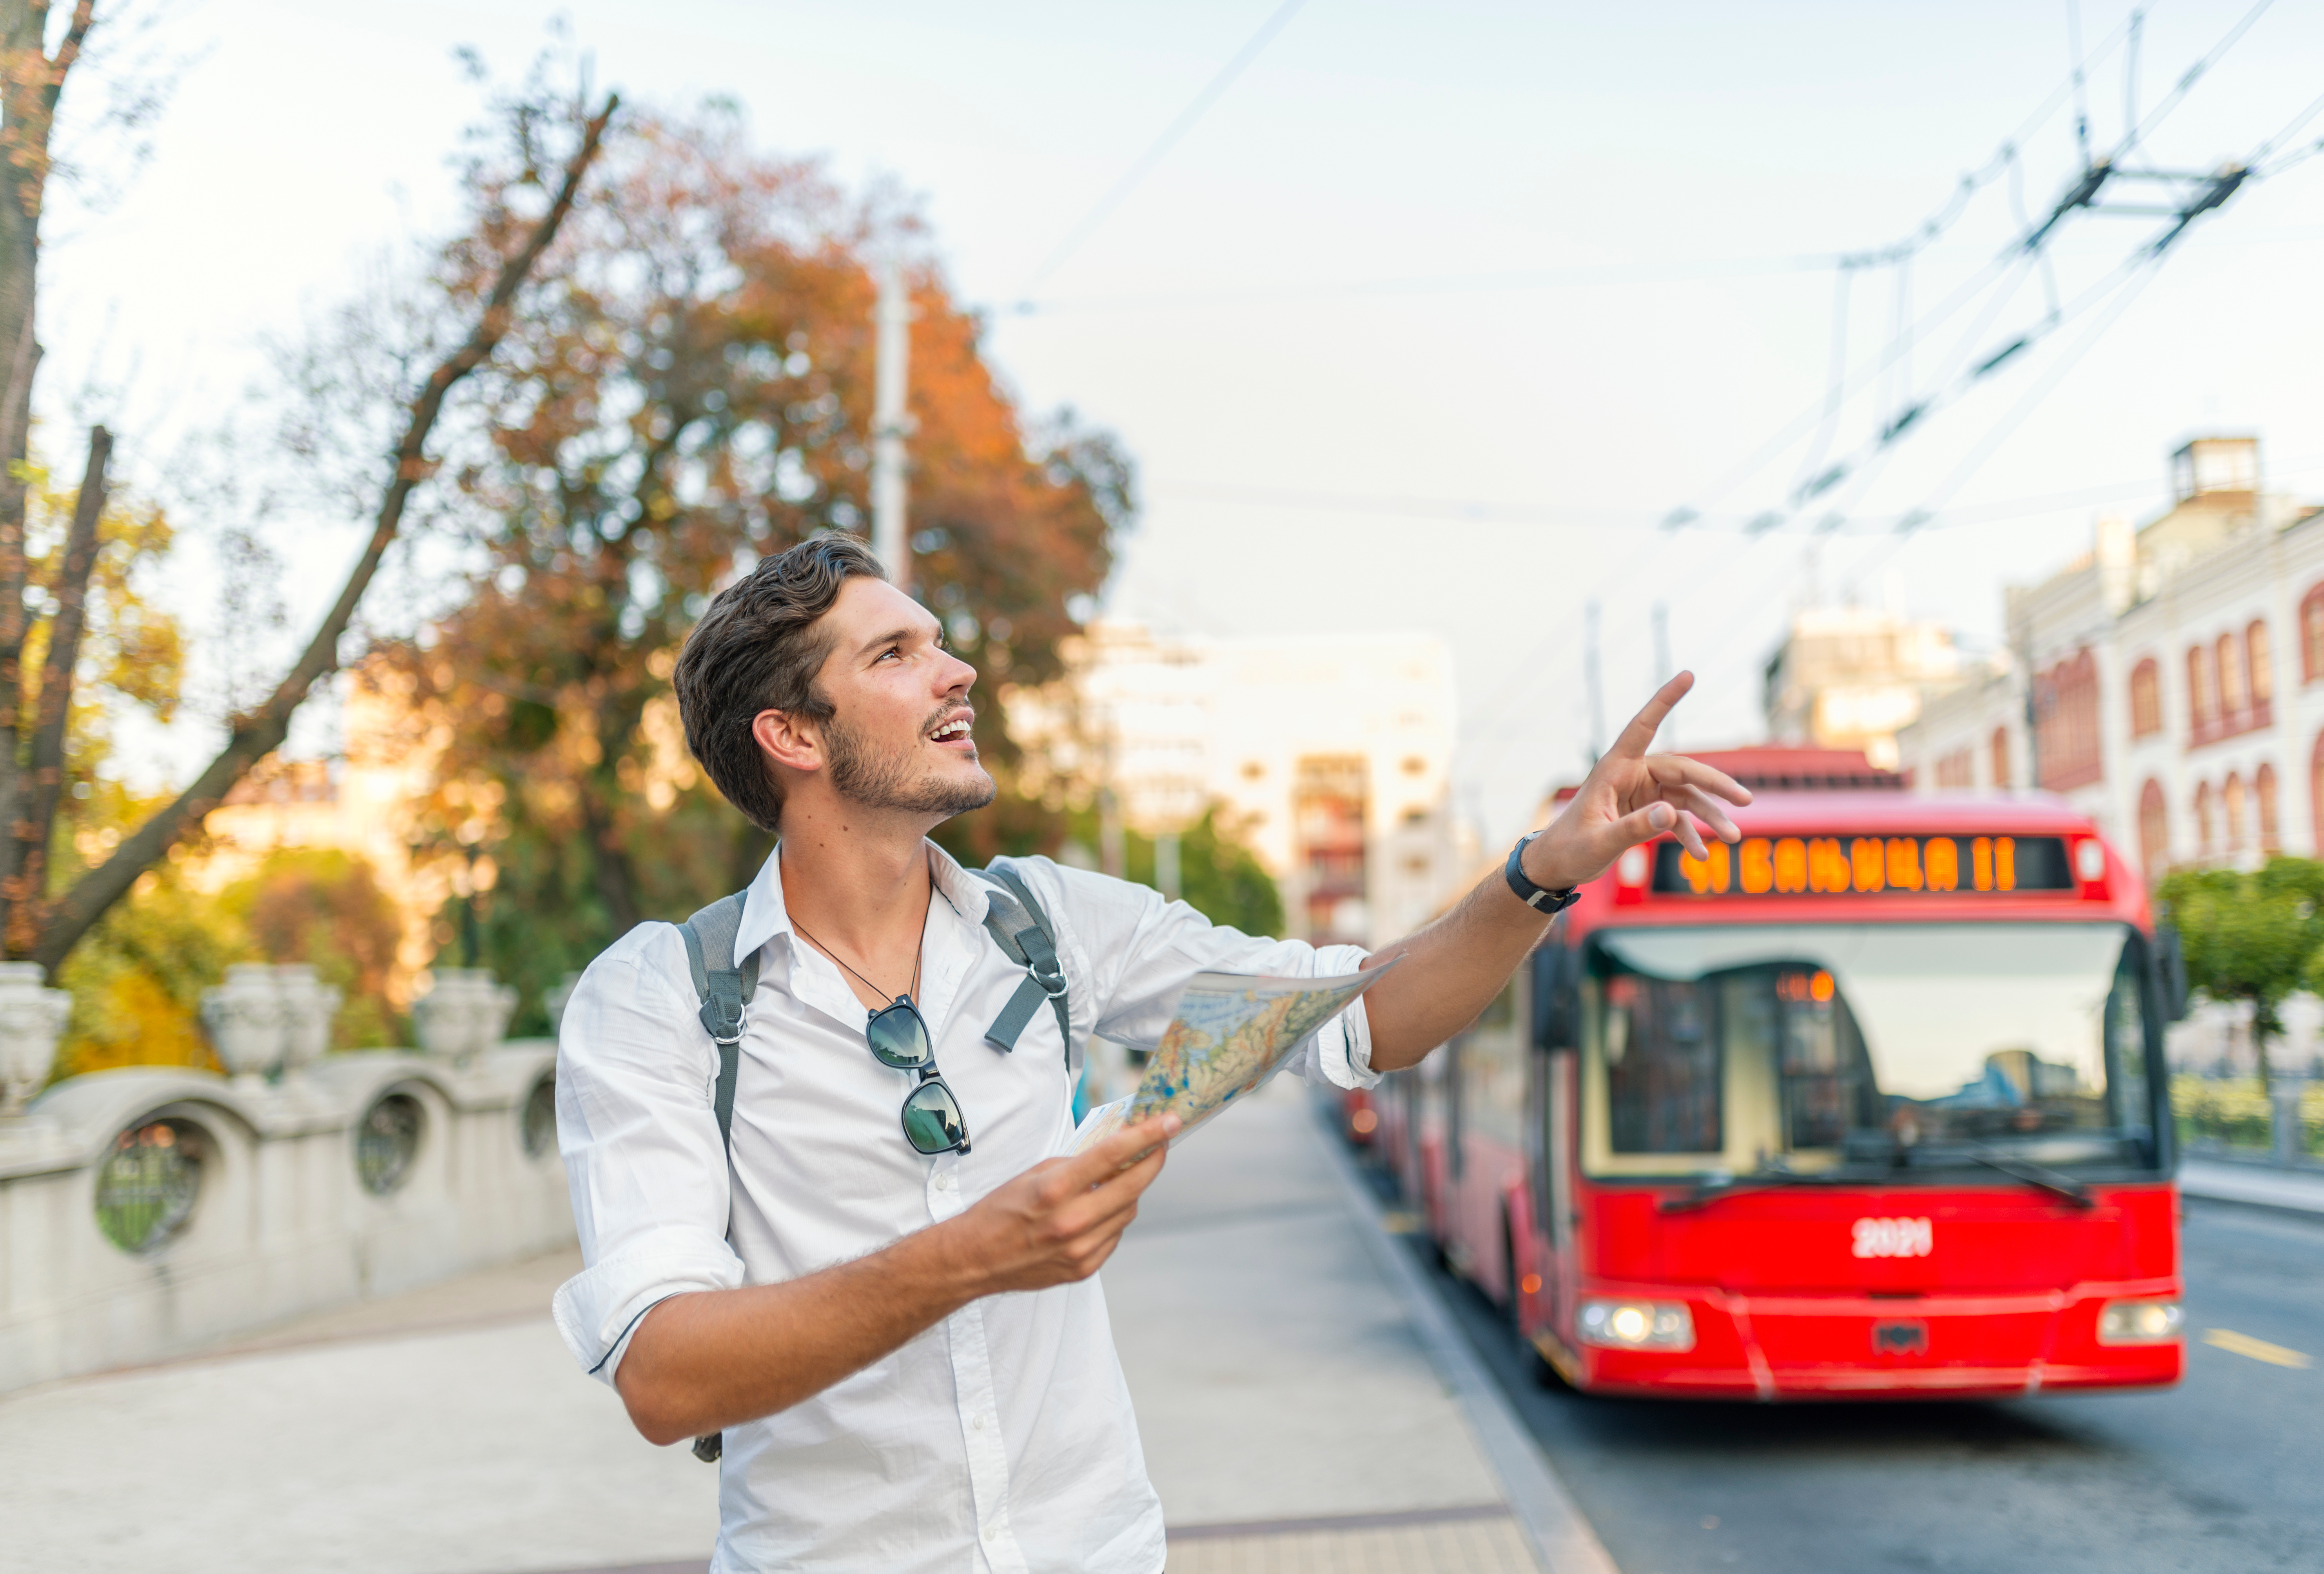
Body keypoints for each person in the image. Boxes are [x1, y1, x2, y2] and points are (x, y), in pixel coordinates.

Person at [552, 534, 1748, 1572]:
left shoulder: (1052, 930)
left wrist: (1541, 872)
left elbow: (1357, 1014)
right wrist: (972, 1257)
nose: (957, 668)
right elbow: (665, 1376)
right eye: (895, 655)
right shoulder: (662, 1002)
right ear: (791, 736)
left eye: (938, 641)